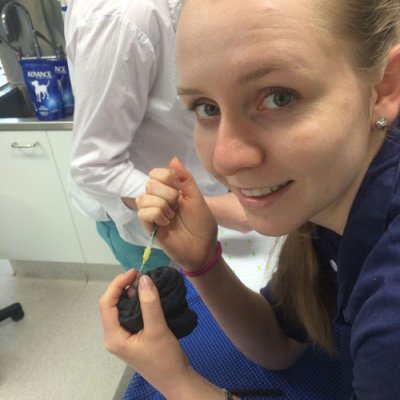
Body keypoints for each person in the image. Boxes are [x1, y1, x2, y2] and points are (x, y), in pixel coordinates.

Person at [99, 0, 400, 398]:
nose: (225, 159)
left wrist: (176, 381)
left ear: (384, 86)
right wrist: (201, 261)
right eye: (205, 108)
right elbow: (282, 343)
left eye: (278, 97)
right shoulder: (336, 197)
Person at [63, 0, 250, 272]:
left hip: (211, 204)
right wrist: (216, 209)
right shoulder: (120, 18)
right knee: (181, 310)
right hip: (155, 229)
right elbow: (93, 165)